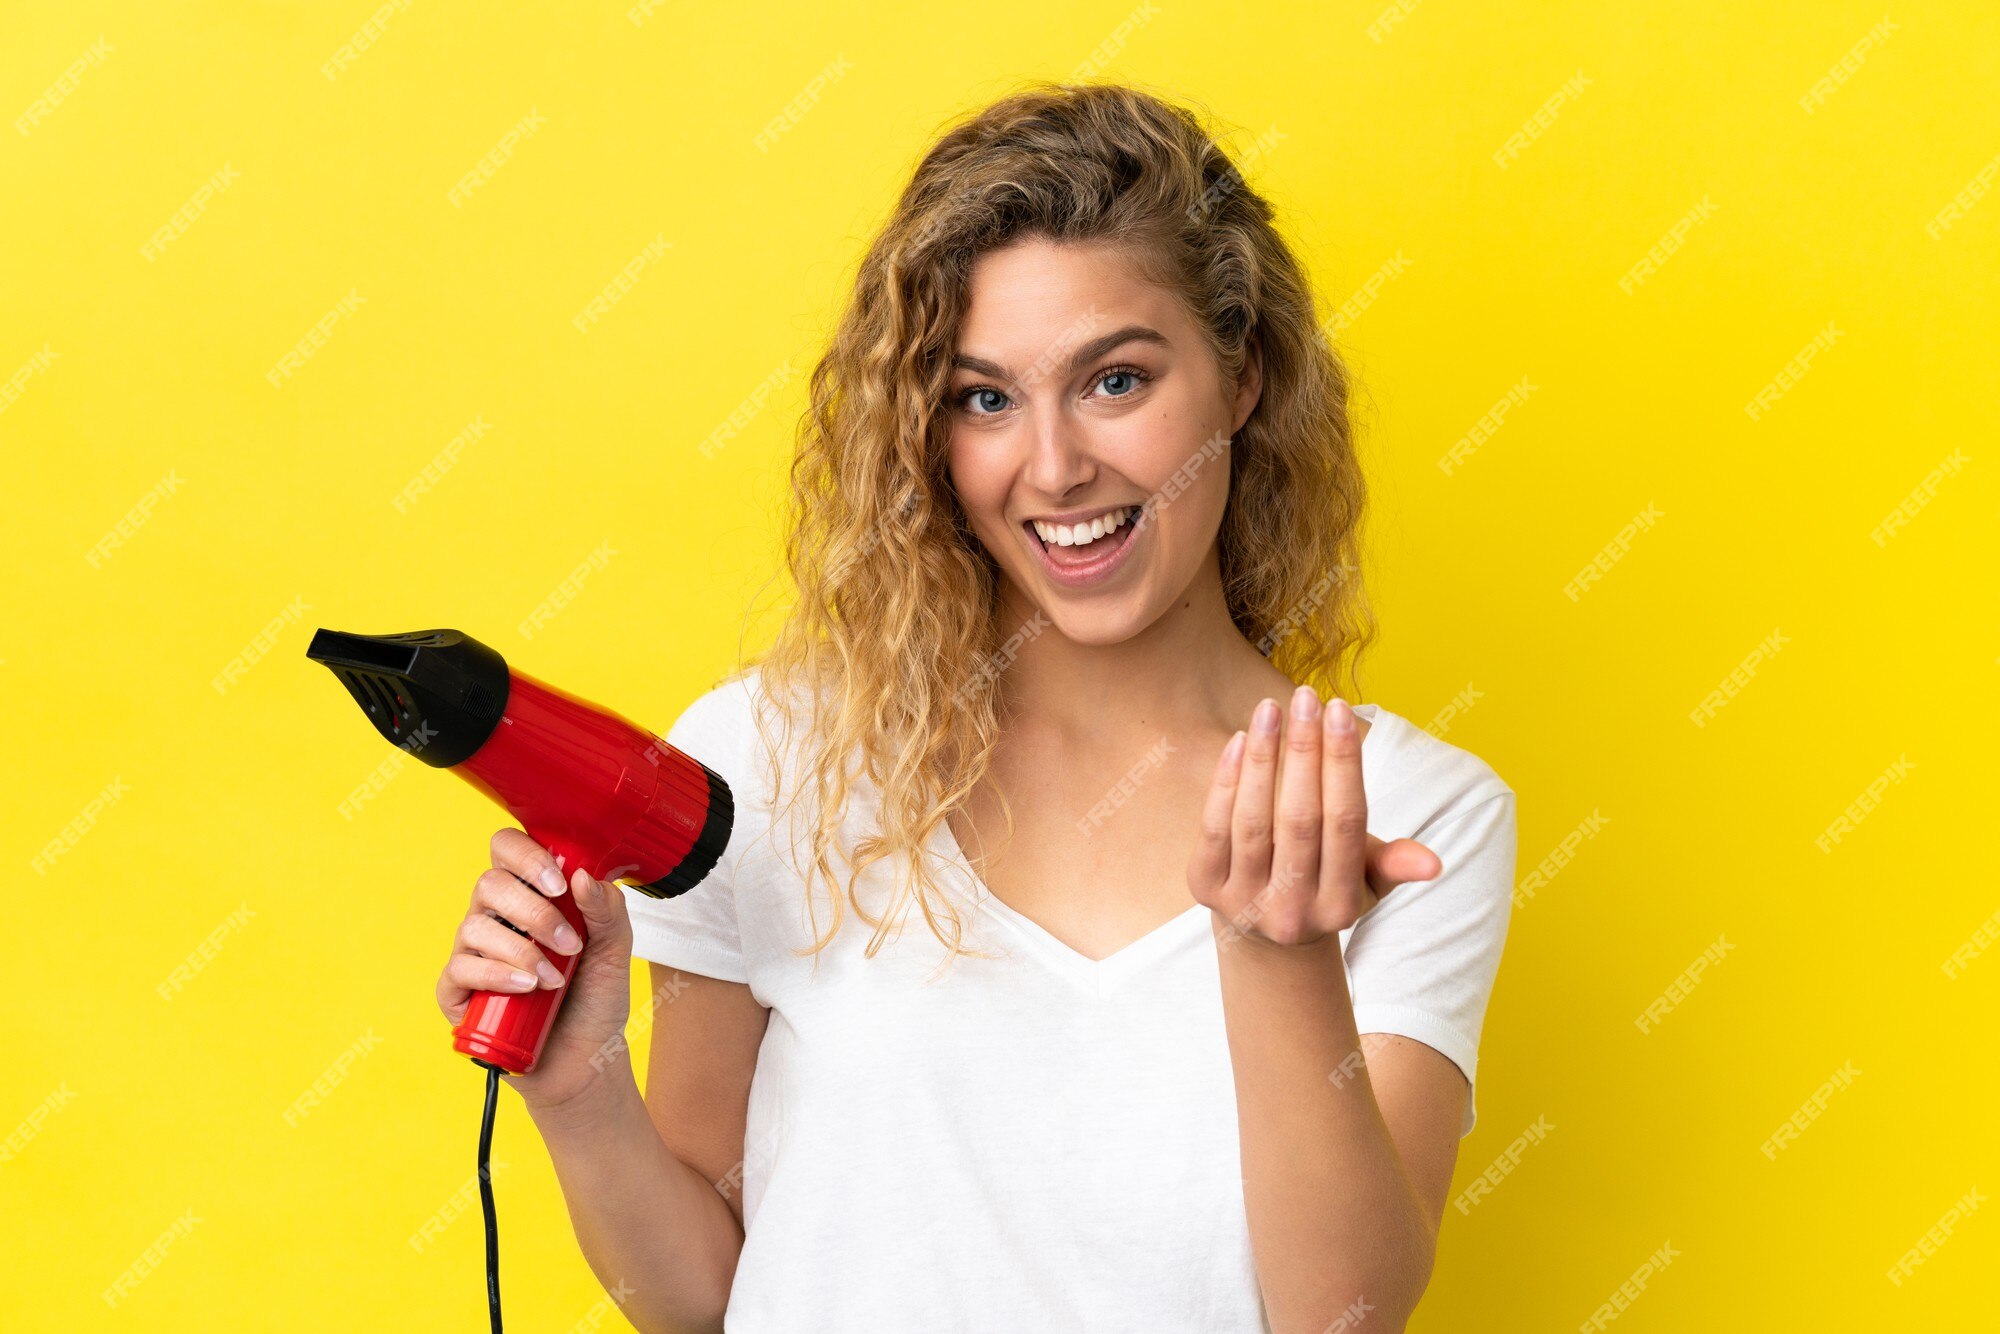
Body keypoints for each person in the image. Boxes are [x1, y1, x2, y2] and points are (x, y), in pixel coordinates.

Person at [436, 80, 1516, 1334]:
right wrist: (581, 1096)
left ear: (1242, 377)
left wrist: (1276, 957)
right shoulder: (764, 762)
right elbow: (703, 1300)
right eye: (984, 398)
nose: (1052, 467)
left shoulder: (1415, 810)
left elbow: (1344, 1313)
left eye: (1115, 380)